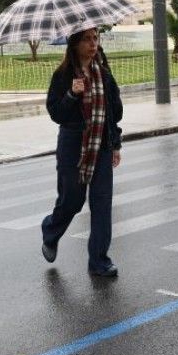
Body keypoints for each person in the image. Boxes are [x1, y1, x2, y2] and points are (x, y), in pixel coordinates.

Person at [41, 27, 123, 278]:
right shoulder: (63, 75)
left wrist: (116, 143)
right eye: (87, 39)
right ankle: (51, 230)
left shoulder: (105, 75)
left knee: (101, 204)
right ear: (75, 44)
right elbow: (56, 113)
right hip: (73, 145)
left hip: (102, 145)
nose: (92, 44)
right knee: (72, 201)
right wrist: (71, 95)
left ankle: (99, 260)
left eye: (95, 38)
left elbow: (115, 113)